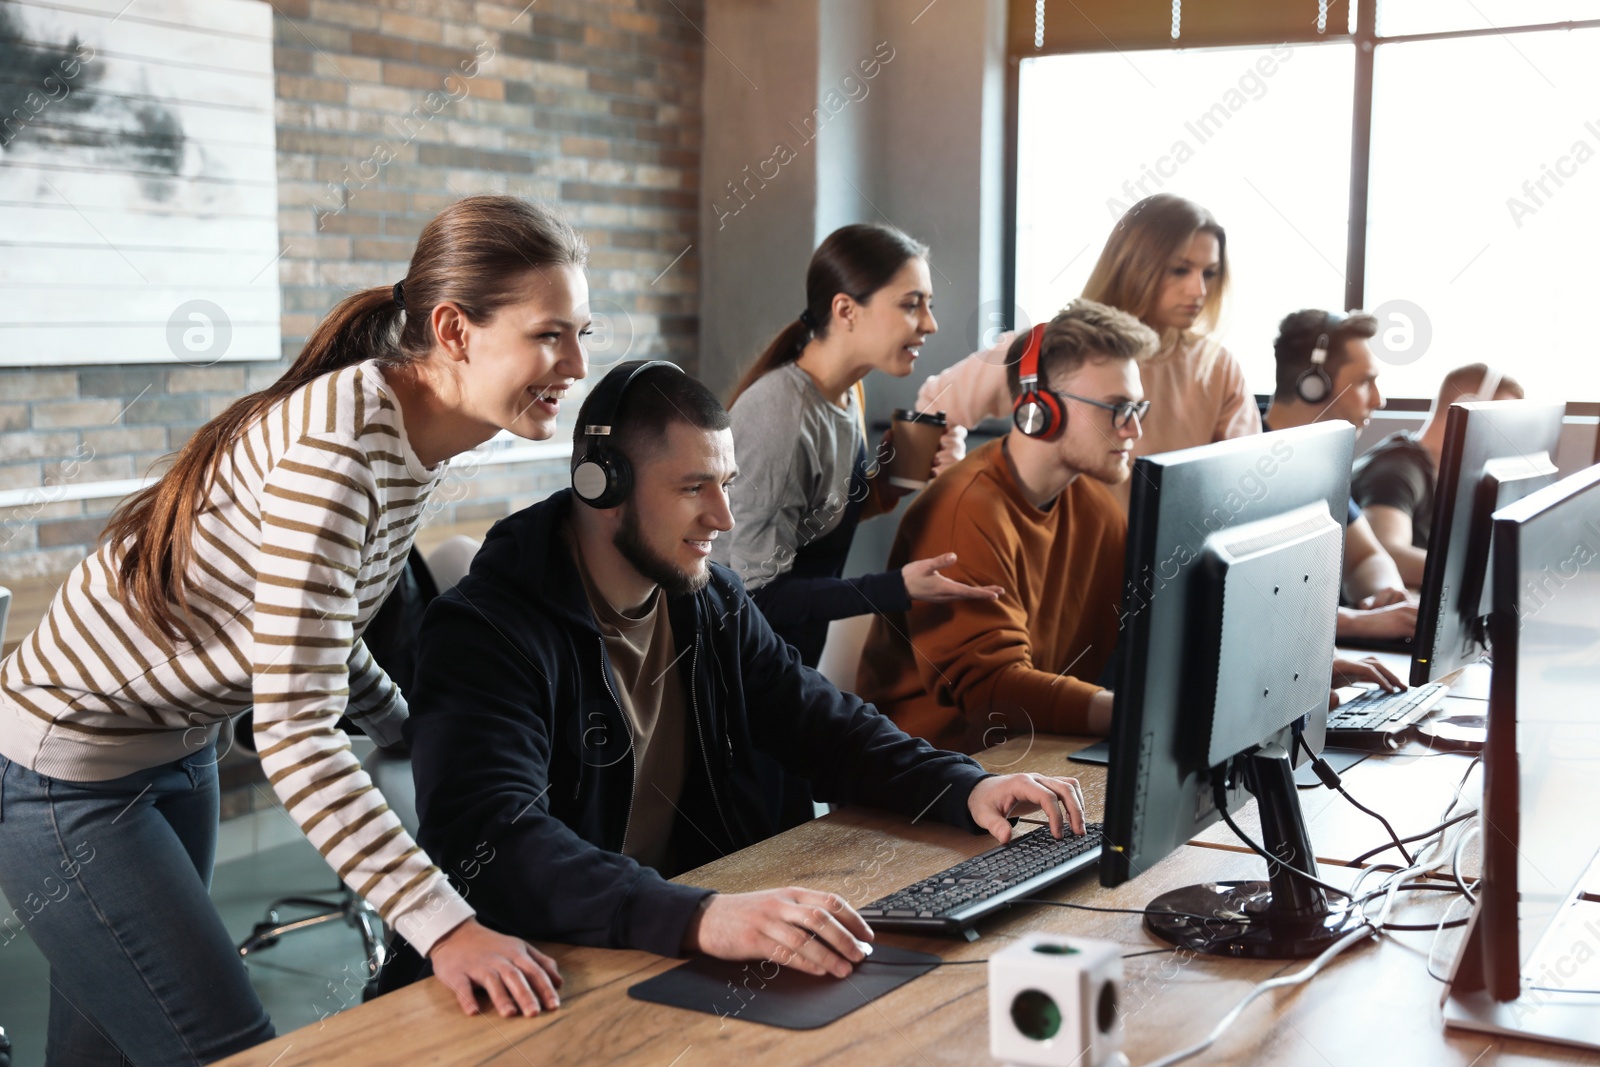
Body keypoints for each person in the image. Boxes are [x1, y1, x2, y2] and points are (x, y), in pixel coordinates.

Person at [0, 195, 581, 1064]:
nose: (576, 362)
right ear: (456, 330)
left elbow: (316, 629)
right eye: (551, 334)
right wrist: (446, 927)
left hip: (176, 751)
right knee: (233, 1049)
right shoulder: (340, 450)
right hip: (70, 776)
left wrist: (402, 725)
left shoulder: (412, 435)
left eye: (582, 331)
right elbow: (296, 734)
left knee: (105, 1054)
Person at [396, 361, 1090, 981]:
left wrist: (965, 785)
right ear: (601, 485)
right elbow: (496, 844)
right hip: (543, 966)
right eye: (695, 487)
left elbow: (823, 726)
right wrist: (702, 917)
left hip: (667, 943)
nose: (723, 517)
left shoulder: (708, 600)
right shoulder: (486, 632)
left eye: (725, 483)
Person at [856, 300, 1155, 752]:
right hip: (932, 778)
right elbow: (993, 693)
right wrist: (1135, 715)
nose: (1133, 430)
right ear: (1038, 408)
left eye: (1137, 408)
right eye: (1115, 408)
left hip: (1033, 754)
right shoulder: (965, 512)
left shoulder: (1097, 510)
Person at [715, 222, 993, 671]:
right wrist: (896, 587)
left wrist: (894, 476)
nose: (930, 323)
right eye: (911, 305)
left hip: (787, 668)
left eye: (929, 305)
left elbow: (818, 514)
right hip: (737, 679)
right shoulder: (780, 413)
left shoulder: (846, 394)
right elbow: (758, 595)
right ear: (846, 310)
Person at [914, 194, 1260, 509]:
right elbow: (935, 403)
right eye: (1180, 270)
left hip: (1166, 569)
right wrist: (959, 488)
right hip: (1064, 567)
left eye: (1210, 273)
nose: (1198, 289)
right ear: (1135, 265)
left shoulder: (1218, 367)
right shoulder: (1054, 349)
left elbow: (1248, 483)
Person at [1263, 309, 1417, 642]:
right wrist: (1356, 623)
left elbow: (1365, 556)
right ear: (1313, 385)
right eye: (1364, 382)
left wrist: (1385, 593)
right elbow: (1251, 606)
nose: (1379, 399)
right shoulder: (1249, 467)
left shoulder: (1318, 467)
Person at [1352, 363, 1524, 587]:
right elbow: (1388, 552)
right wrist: (1482, 580)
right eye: (1502, 423)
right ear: (1466, 408)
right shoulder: (1397, 471)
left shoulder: (1450, 471)